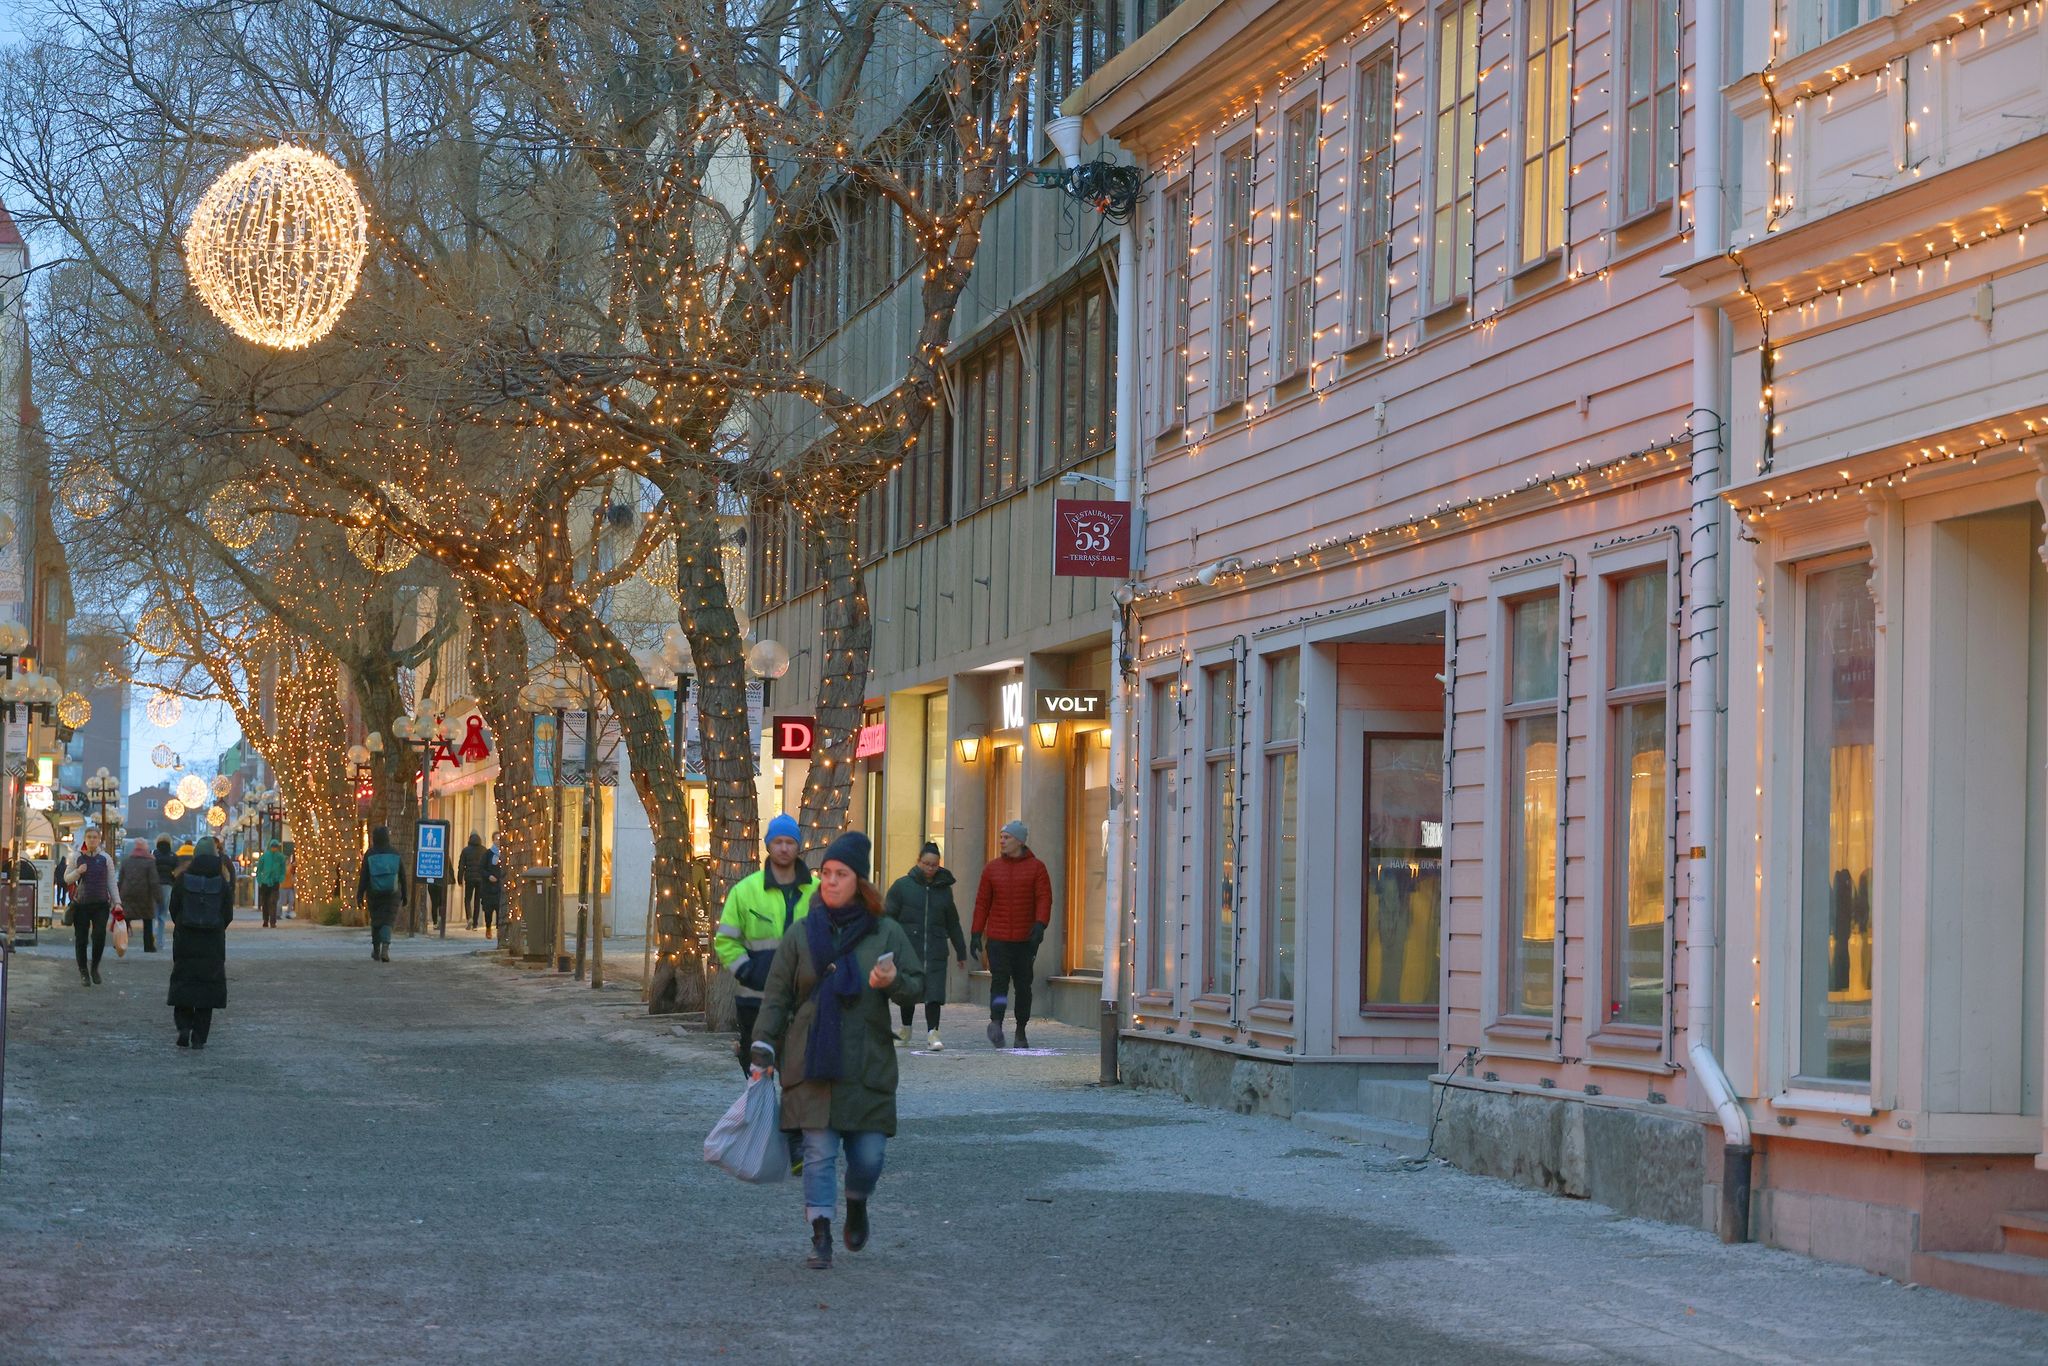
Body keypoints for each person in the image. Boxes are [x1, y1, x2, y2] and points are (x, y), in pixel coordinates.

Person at [753, 831, 922, 1270]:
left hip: (866, 1062)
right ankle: (821, 1234)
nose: (829, 882)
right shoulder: (801, 934)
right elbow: (776, 997)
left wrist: (894, 984)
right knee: (818, 1153)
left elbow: (917, 987)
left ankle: (857, 1201)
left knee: (868, 1157)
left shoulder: (886, 931)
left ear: (860, 881)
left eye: (840, 874)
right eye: (825, 873)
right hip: (812, 1062)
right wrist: (762, 1050)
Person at [714, 813, 816, 1075]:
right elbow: (726, 940)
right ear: (768, 845)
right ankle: (762, 1116)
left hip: (805, 1001)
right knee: (758, 1077)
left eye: (790, 842)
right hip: (755, 999)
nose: (784, 848)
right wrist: (747, 971)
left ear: (798, 846)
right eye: (778, 841)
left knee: (802, 1078)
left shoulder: (818, 891)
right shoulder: (745, 891)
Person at [971, 819, 1052, 1050]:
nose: (1002, 841)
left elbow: (1044, 898)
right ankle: (996, 1022)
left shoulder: (1037, 868)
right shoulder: (992, 868)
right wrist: (976, 932)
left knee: (1023, 986)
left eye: (1006, 837)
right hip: (998, 938)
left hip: (1025, 940)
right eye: (1001, 837)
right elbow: (982, 903)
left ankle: (1021, 1030)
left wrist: (1040, 924)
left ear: (1019, 841)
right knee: (999, 983)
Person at [884, 842, 966, 1051]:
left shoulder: (944, 890)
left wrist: (961, 950)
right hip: (909, 949)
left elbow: (953, 922)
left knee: (934, 993)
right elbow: (887, 918)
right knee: (908, 992)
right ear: (918, 862)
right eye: (926, 864)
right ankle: (906, 1030)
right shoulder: (902, 887)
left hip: (936, 948)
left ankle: (933, 1033)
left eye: (934, 865)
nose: (930, 868)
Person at [168, 836, 232, 1049]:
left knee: (184, 982)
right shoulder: (221, 882)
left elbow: (174, 908)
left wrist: (182, 926)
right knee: (208, 988)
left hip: (186, 938)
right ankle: (199, 1036)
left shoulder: (183, 879)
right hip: (212, 941)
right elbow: (228, 913)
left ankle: (184, 1026)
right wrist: (216, 928)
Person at [66, 828, 118, 987]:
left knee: (99, 936)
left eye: (95, 837)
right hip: (81, 904)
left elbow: (111, 882)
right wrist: (77, 872)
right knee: (81, 939)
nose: (92, 840)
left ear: (99, 839)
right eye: (89, 837)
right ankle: (83, 971)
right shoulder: (77, 857)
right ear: (85, 839)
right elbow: (67, 879)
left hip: (101, 904)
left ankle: (95, 967)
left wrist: (118, 903)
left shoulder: (105, 858)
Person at [355, 826, 408, 962]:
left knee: (376, 920)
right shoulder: (395, 854)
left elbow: (364, 876)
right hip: (392, 893)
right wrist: (405, 894)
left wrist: (360, 894)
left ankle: (376, 949)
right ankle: (385, 948)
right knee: (387, 921)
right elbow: (402, 875)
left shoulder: (370, 854)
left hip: (374, 892)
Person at [118, 838, 162, 954]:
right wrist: (158, 897)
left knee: (125, 920)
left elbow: (120, 879)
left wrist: (117, 896)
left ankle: (120, 942)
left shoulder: (126, 861)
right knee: (147, 921)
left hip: (127, 893)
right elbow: (154, 881)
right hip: (145, 895)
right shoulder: (150, 862)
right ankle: (148, 946)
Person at [254, 839, 287, 928]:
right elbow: (259, 870)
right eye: (273, 847)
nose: (274, 848)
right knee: (265, 902)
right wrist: (260, 880)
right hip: (265, 882)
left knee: (273, 901)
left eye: (275, 847)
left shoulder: (280, 857)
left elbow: (283, 870)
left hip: (275, 882)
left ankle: (272, 921)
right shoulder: (264, 857)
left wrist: (280, 878)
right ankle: (265, 920)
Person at [457, 831, 486, 929]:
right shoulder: (484, 850)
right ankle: (475, 924)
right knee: (477, 900)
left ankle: (469, 917)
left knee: (467, 899)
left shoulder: (465, 850)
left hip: (469, 878)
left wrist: (459, 879)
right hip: (481, 879)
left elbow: (461, 866)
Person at [476, 836, 503, 935]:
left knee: (500, 910)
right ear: (493, 840)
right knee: (488, 910)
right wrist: (488, 876)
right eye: (496, 839)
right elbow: (481, 868)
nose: (498, 841)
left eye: (500, 839)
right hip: (488, 887)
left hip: (500, 887)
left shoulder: (505, 854)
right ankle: (488, 928)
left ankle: (500, 930)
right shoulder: (487, 854)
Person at [153, 837, 177, 943]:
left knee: (154, 913)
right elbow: (176, 872)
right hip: (167, 885)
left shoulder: (153, 854)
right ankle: (160, 941)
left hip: (155, 885)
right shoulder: (173, 856)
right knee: (162, 915)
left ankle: (152, 935)